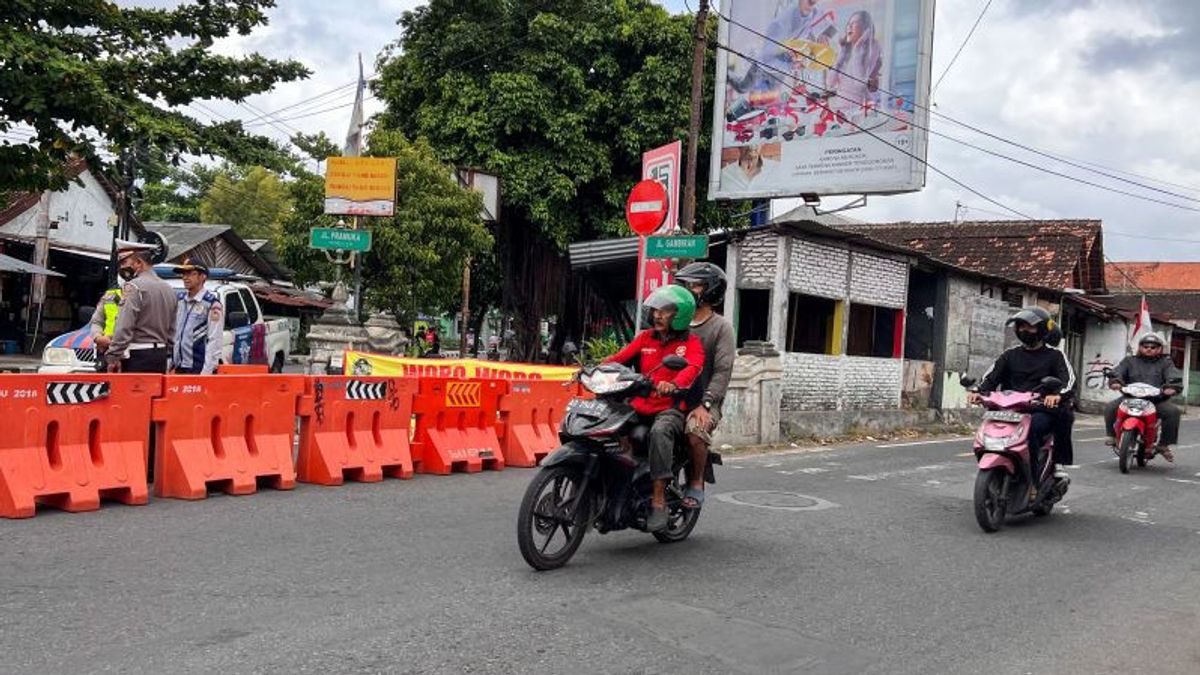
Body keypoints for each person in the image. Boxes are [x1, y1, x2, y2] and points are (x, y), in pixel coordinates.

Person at [603, 285, 705, 532]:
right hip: (641, 403)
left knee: (660, 431)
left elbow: (692, 368)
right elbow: (619, 358)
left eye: (666, 311)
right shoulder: (645, 338)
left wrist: (673, 384)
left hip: (670, 408)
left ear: (679, 314)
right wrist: (593, 369)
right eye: (656, 310)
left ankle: (658, 499)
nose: (658, 315)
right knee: (607, 423)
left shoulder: (691, 343)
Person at [968, 307, 1075, 484]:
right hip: (1011, 409)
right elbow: (990, 378)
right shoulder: (1009, 355)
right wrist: (978, 392)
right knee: (989, 430)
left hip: (1040, 408)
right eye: (1020, 327)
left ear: (1041, 329)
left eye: (1029, 327)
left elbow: (1069, 380)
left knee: (1032, 429)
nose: (1023, 331)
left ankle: (1046, 469)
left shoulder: (1055, 356)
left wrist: (1057, 395)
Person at [673, 263, 736, 511]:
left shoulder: (721, 328)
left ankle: (696, 482)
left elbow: (723, 371)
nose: (688, 290)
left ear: (710, 291)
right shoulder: (677, 322)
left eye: (695, 285)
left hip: (704, 401)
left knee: (695, 430)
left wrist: (706, 403)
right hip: (671, 396)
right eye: (686, 285)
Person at [1105, 332, 1183, 462]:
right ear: (1140, 347)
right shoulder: (1129, 361)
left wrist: (1172, 387)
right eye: (1145, 346)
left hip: (1156, 400)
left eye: (1153, 347)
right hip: (1129, 398)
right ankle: (1112, 436)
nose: (1149, 349)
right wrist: (1115, 382)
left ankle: (1163, 444)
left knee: (1173, 412)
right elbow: (1117, 372)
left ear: (1159, 349)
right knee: (1110, 407)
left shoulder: (1166, 362)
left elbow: (1173, 376)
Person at [106, 239, 176, 374]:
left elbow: (124, 326)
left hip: (136, 356)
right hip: (160, 356)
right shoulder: (168, 289)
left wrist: (113, 356)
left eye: (124, 262)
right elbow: (173, 330)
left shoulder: (134, 287)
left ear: (139, 263)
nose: (122, 268)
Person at [170, 258, 223, 375]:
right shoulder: (180, 300)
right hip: (179, 367)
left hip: (198, 369)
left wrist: (206, 372)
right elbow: (174, 334)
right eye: (183, 274)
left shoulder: (211, 304)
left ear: (202, 276)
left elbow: (215, 340)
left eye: (191, 274)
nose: (185, 277)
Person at [828, 10, 883, 115]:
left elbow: (859, 83)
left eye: (854, 23)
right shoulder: (845, 49)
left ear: (865, 29)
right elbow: (831, 82)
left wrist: (857, 51)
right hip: (841, 110)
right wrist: (841, 56)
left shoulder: (873, 47)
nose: (849, 26)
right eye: (849, 23)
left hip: (859, 111)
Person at [88, 286, 123, 372]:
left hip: (132, 350)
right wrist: (98, 337)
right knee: (105, 382)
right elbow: (96, 322)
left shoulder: (142, 295)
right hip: (105, 349)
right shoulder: (109, 296)